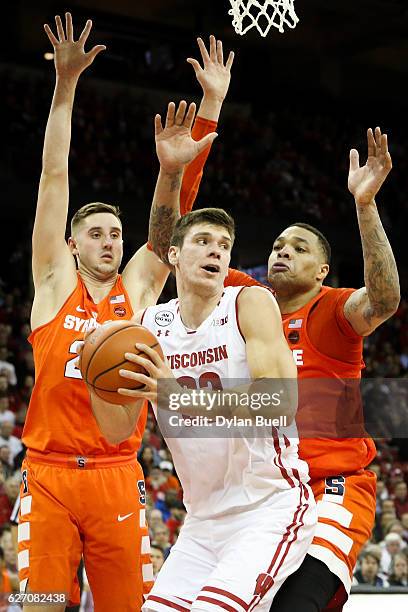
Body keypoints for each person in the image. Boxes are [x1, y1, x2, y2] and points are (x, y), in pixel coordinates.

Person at [18, 12, 233, 612]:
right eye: (97, 233)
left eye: (116, 232)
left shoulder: (135, 291)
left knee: (130, 608)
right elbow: (53, 175)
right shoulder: (53, 282)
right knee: (38, 607)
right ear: (72, 243)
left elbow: (172, 222)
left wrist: (201, 122)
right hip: (49, 474)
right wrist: (65, 87)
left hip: (116, 473)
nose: (112, 241)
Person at [93, 207, 317, 610]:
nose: (216, 252)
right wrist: (96, 379)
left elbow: (280, 402)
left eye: (224, 246)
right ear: (174, 255)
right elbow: (114, 431)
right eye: (203, 242)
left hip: (268, 510)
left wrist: (180, 396)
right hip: (200, 524)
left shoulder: (249, 303)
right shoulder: (148, 326)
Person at [221, 127, 400, 610]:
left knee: (298, 601)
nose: (283, 251)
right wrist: (179, 164)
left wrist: (365, 206)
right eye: (279, 245)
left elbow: (384, 299)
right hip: (266, 491)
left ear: (322, 270)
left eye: (300, 248)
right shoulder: (246, 300)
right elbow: (180, 246)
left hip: (332, 486)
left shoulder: (333, 310)